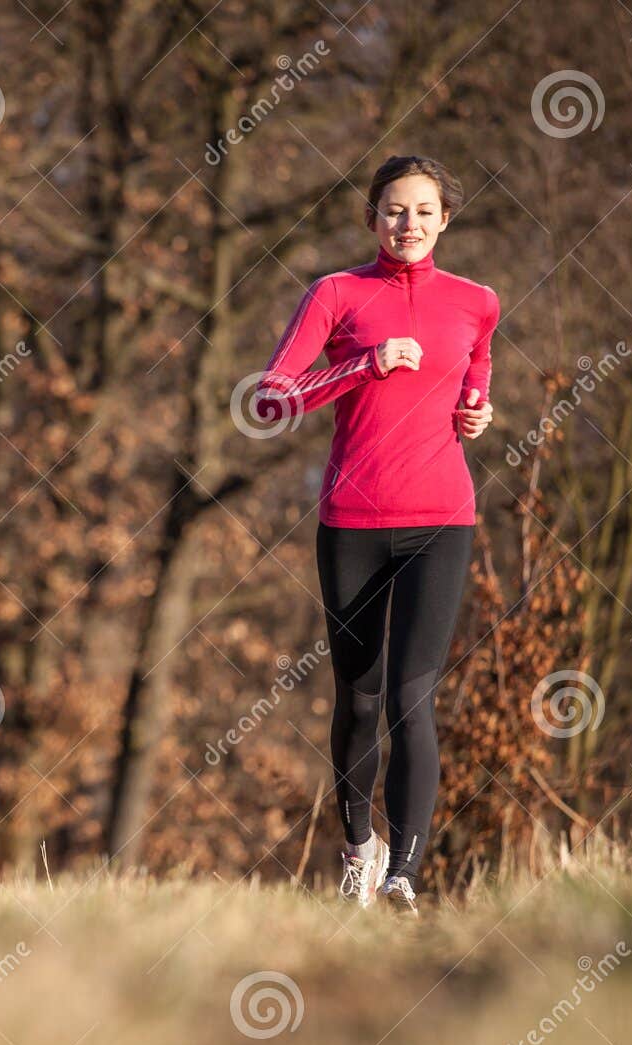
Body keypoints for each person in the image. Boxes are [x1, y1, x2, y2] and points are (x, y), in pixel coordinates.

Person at [253, 155, 498, 914]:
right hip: (352, 522)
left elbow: (476, 374)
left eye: (424, 211)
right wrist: (363, 364)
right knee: (358, 700)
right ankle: (360, 850)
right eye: (394, 210)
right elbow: (271, 400)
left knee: (410, 698)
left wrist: (478, 410)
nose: (409, 224)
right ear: (372, 219)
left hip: (442, 520)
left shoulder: (477, 302)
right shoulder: (336, 293)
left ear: (445, 220)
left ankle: (405, 876)